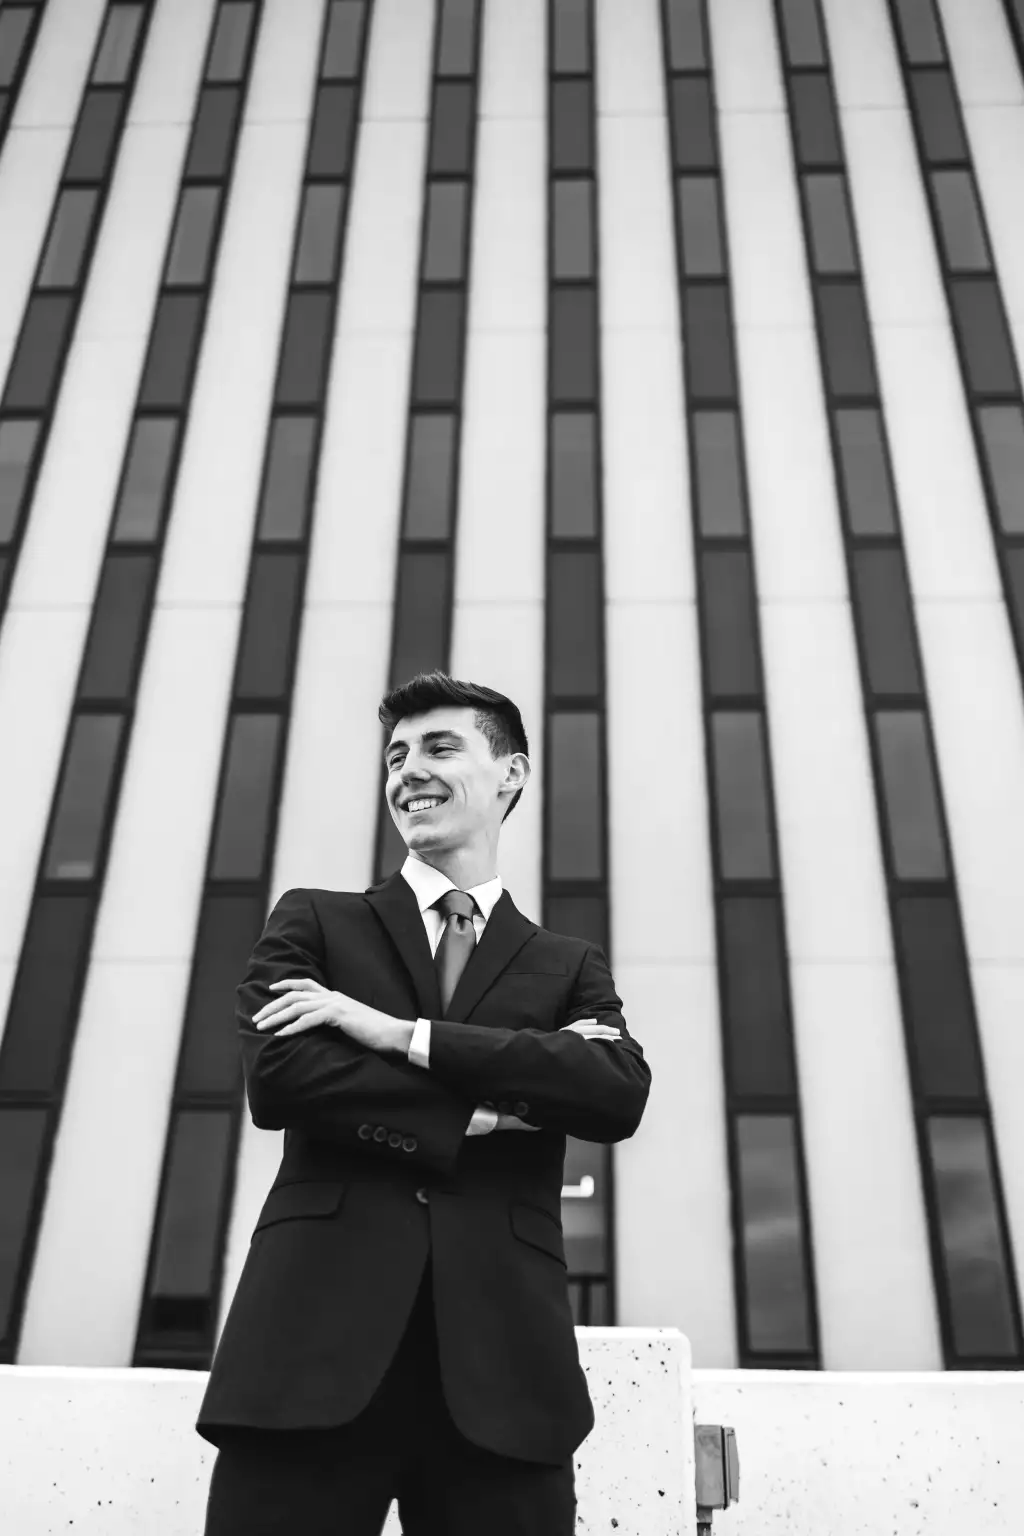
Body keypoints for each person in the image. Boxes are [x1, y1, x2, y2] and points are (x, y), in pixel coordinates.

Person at [196, 671, 651, 1535]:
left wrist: (398, 1034)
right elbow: (285, 1078)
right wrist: (490, 1106)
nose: (409, 770)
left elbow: (613, 1092)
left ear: (511, 773)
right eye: (397, 755)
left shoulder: (567, 964)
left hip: (506, 1377)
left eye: (441, 747)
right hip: (307, 1356)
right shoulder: (316, 923)